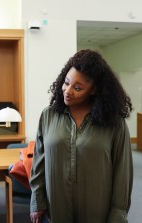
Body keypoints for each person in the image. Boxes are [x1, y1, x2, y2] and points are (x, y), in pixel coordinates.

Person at [29, 49, 133, 223]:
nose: (68, 91)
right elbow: (39, 162)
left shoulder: (114, 123)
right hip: (56, 205)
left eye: (78, 88)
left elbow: (123, 173)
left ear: (94, 90)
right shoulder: (48, 115)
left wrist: (118, 214)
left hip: (97, 207)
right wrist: (37, 200)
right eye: (66, 83)